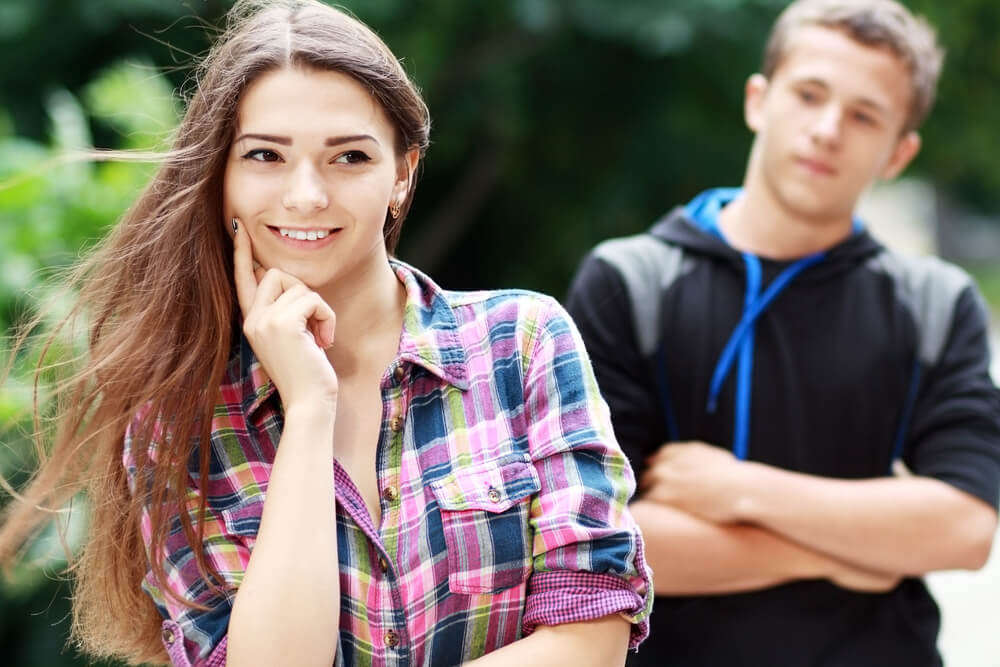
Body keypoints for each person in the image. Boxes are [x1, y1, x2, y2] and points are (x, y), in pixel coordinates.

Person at [0, 1, 652, 665]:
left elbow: (591, 637)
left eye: (347, 156)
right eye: (264, 155)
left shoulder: (524, 343)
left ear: (402, 173)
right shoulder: (176, 425)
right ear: (219, 176)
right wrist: (309, 408)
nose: (307, 194)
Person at [565, 0, 1000, 665]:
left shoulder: (936, 303)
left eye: (864, 115)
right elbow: (597, 543)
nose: (828, 129)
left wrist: (741, 488)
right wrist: (859, 551)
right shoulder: (630, 281)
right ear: (758, 101)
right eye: (809, 95)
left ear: (899, 152)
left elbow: (964, 527)